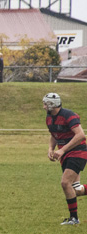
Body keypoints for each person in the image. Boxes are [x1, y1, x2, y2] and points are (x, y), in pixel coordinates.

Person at [43, 93, 87, 225]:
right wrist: (51, 149)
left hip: (78, 152)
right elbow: (54, 134)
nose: (44, 107)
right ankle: (74, 218)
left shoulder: (68, 115)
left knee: (65, 183)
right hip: (66, 154)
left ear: (51, 105)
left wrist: (62, 150)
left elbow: (80, 135)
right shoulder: (49, 118)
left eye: (45, 104)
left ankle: (74, 219)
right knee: (77, 190)